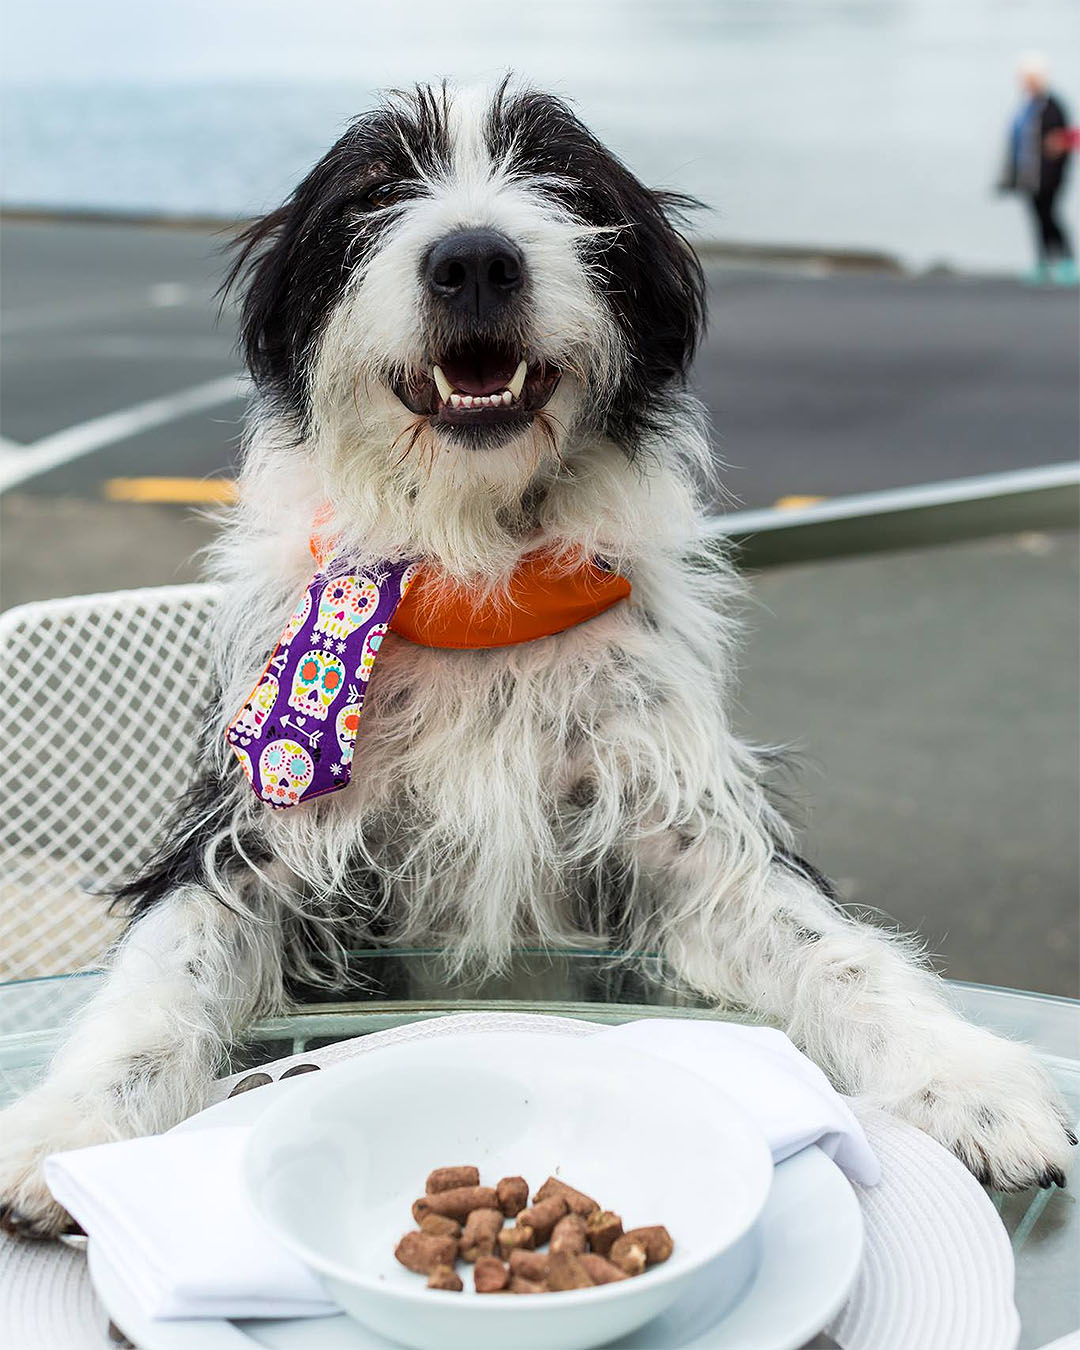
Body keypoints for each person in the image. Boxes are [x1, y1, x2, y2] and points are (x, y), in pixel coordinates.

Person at [1000, 53, 1076, 284]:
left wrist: (1057, 154)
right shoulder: (1027, 108)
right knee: (1037, 219)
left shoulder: (1052, 106)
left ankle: (1067, 262)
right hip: (1028, 175)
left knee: (1051, 217)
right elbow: (1018, 143)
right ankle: (1043, 262)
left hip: (1049, 177)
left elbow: (1066, 140)